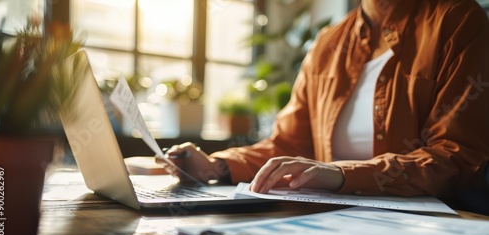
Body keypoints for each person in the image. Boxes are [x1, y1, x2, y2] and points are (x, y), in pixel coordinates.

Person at [160, 0, 489, 210]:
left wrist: (342, 173)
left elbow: (454, 156)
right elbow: (287, 144)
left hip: (423, 226)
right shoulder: (327, 43)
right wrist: (217, 167)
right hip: (329, 217)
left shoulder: (458, 21)